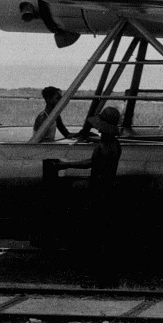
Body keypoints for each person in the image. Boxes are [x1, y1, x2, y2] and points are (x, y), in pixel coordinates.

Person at [45, 105, 124, 285]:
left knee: (93, 233)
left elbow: (90, 164)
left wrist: (66, 164)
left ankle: (99, 277)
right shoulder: (115, 145)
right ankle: (106, 276)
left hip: (98, 193)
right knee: (103, 234)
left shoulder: (102, 147)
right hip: (108, 191)